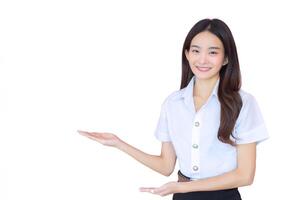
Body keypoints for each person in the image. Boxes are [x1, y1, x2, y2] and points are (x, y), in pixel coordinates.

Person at [78, 18, 269, 200]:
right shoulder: (173, 104)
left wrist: (184, 187)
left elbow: (245, 175)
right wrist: (119, 144)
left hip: (223, 197)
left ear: (226, 58)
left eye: (212, 52)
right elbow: (166, 165)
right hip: (182, 196)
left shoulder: (243, 103)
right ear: (187, 54)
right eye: (195, 51)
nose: (202, 60)